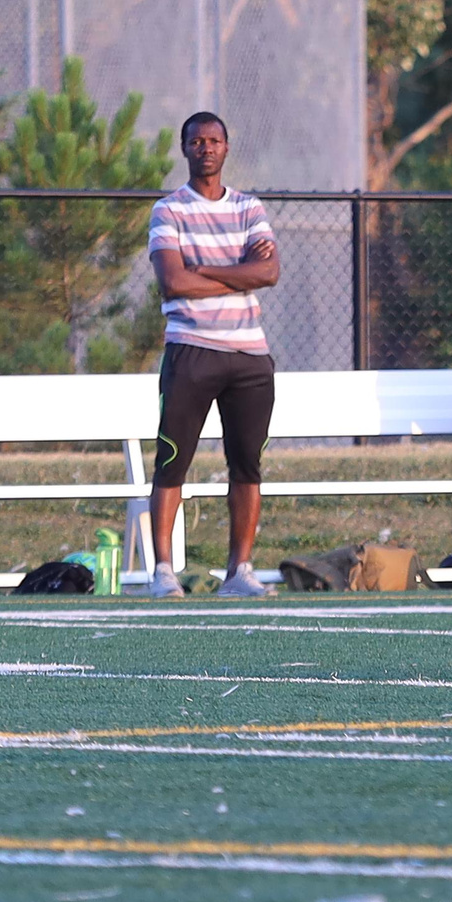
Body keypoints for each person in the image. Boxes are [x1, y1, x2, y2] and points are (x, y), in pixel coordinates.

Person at [145, 112, 279, 598]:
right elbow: (173, 281)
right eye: (196, 141)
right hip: (190, 352)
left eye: (214, 140)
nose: (206, 147)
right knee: (172, 459)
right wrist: (234, 268)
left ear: (227, 148)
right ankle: (163, 572)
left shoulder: (249, 208)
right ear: (184, 149)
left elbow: (268, 272)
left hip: (249, 356)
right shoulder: (169, 211)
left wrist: (203, 265)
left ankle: (239, 572)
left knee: (247, 464)